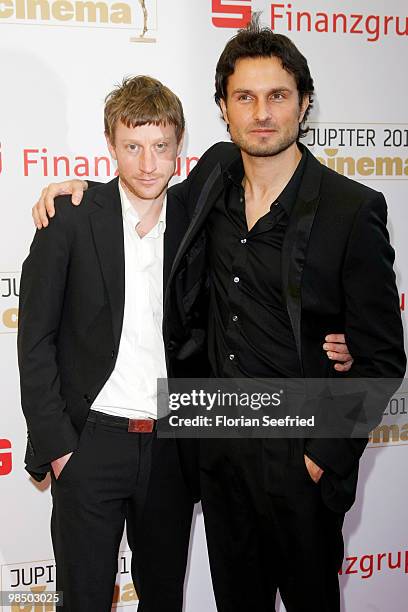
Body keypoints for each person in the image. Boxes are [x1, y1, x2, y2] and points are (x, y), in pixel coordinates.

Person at [27, 22, 385, 612]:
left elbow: (381, 355)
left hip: (295, 453)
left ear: (304, 102)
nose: (262, 113)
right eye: (245, 97)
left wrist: (323, 455)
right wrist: (77, 191)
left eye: (278, 96)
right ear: (224, 109)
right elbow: (135, 188)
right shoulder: (212, 183)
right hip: (214, 447)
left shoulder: (352, 208)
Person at [18, 75, 196, 612]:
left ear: (179, 145)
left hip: (171, 449)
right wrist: (60, 449)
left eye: (161, 146)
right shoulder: (70, 216)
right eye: (133, 146)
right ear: (110, 145)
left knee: (163, 598)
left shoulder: (200, 221)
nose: (148, 163)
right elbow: (35, 341)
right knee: (85, 601)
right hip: (89, 445)